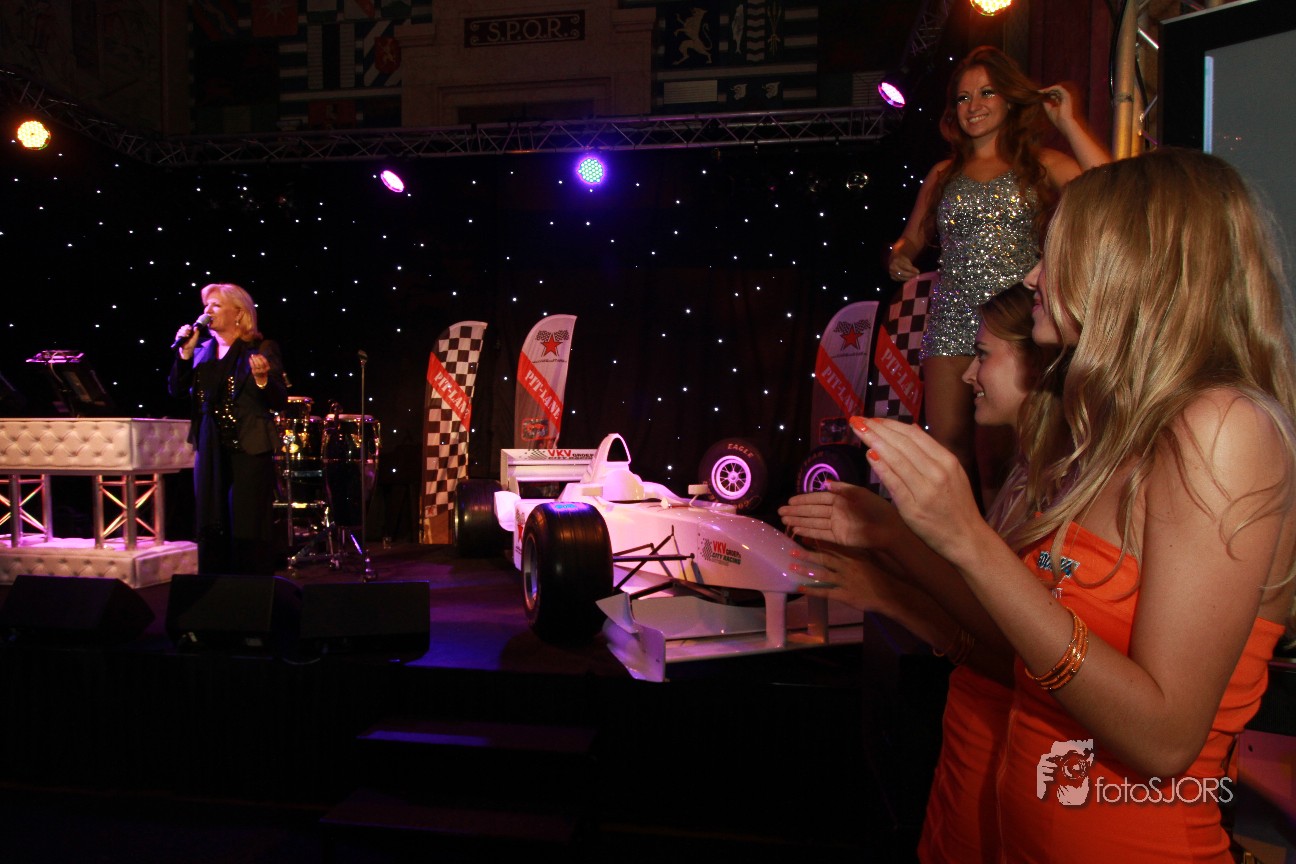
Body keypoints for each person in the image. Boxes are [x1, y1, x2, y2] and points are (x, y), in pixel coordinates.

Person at [853, 148, 1296, 862]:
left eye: (1055, 254)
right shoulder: (1114, 437)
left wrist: (967, 539)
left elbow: (1163, 740)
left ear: (1134, 267)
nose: (1031, 277)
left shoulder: (1221, 427)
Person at [782, 283, 1058, 862]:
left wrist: (891, 568)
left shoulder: (1056, 487)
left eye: (982, 355)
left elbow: (1024, 661)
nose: (967, 374)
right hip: (973, 744)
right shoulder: (1022, 473)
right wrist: (879, 548)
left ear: (1036, 365)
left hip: (1010, 760)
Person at [886, 46, 1109, 510]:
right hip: (950, 321)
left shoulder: (1041, 164)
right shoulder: (943, 174)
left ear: (1009, 99)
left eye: (987, 93)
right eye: (963, 97)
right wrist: (900, 255)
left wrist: (1069, 124)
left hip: (1012, 324)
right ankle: (951, 545)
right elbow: (911, 237)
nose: (974, 106)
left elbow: (1113, 188)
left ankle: (1004, 541)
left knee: (1004, 457)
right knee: (948, 449)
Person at [169, 283, 288, 575]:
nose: (207, 311)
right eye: (206, 305)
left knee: (247, 522)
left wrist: (262, 380)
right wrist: (184, 355)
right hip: (211, 447)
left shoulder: (260, 349)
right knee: (212, 519)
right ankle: (215, 587)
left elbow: (278, 400)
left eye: (216, 305)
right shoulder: (201, 350)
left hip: (249, 447)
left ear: (238, 313)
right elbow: (176, 390)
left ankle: (251, 588)